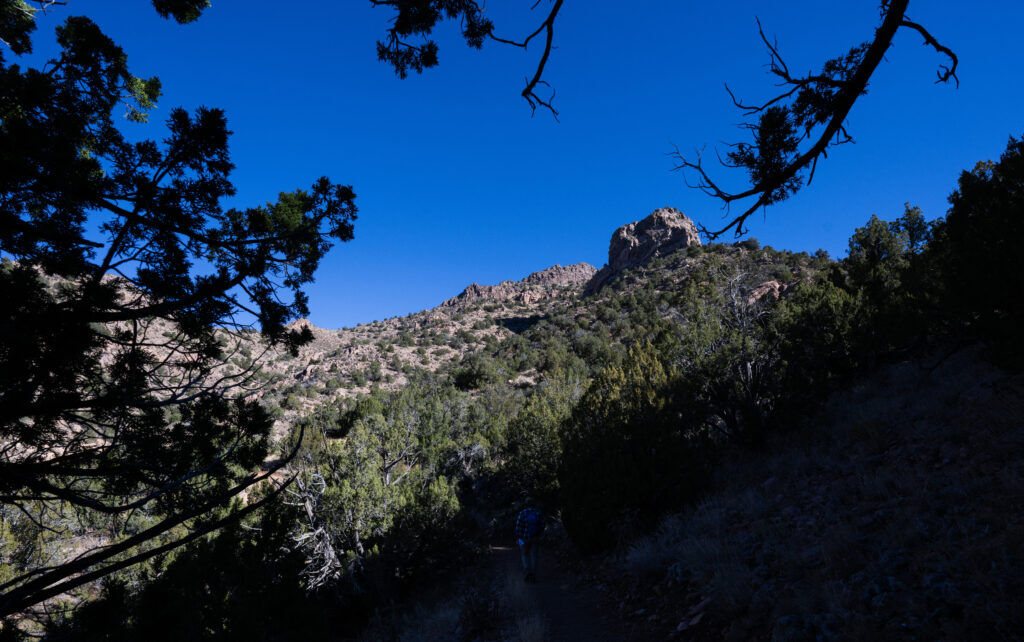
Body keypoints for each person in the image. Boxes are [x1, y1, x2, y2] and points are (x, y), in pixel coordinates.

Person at [515, 498, 545, 583]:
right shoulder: (538, 512)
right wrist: (539, 534)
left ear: (526, 504)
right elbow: (542, 525)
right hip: (535, 538)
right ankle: (533, 574)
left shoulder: (522, 513)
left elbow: (518, 528)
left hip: (523, 538)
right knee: (534, 555)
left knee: (524, 554)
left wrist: (518, 539)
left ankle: (527, 571)